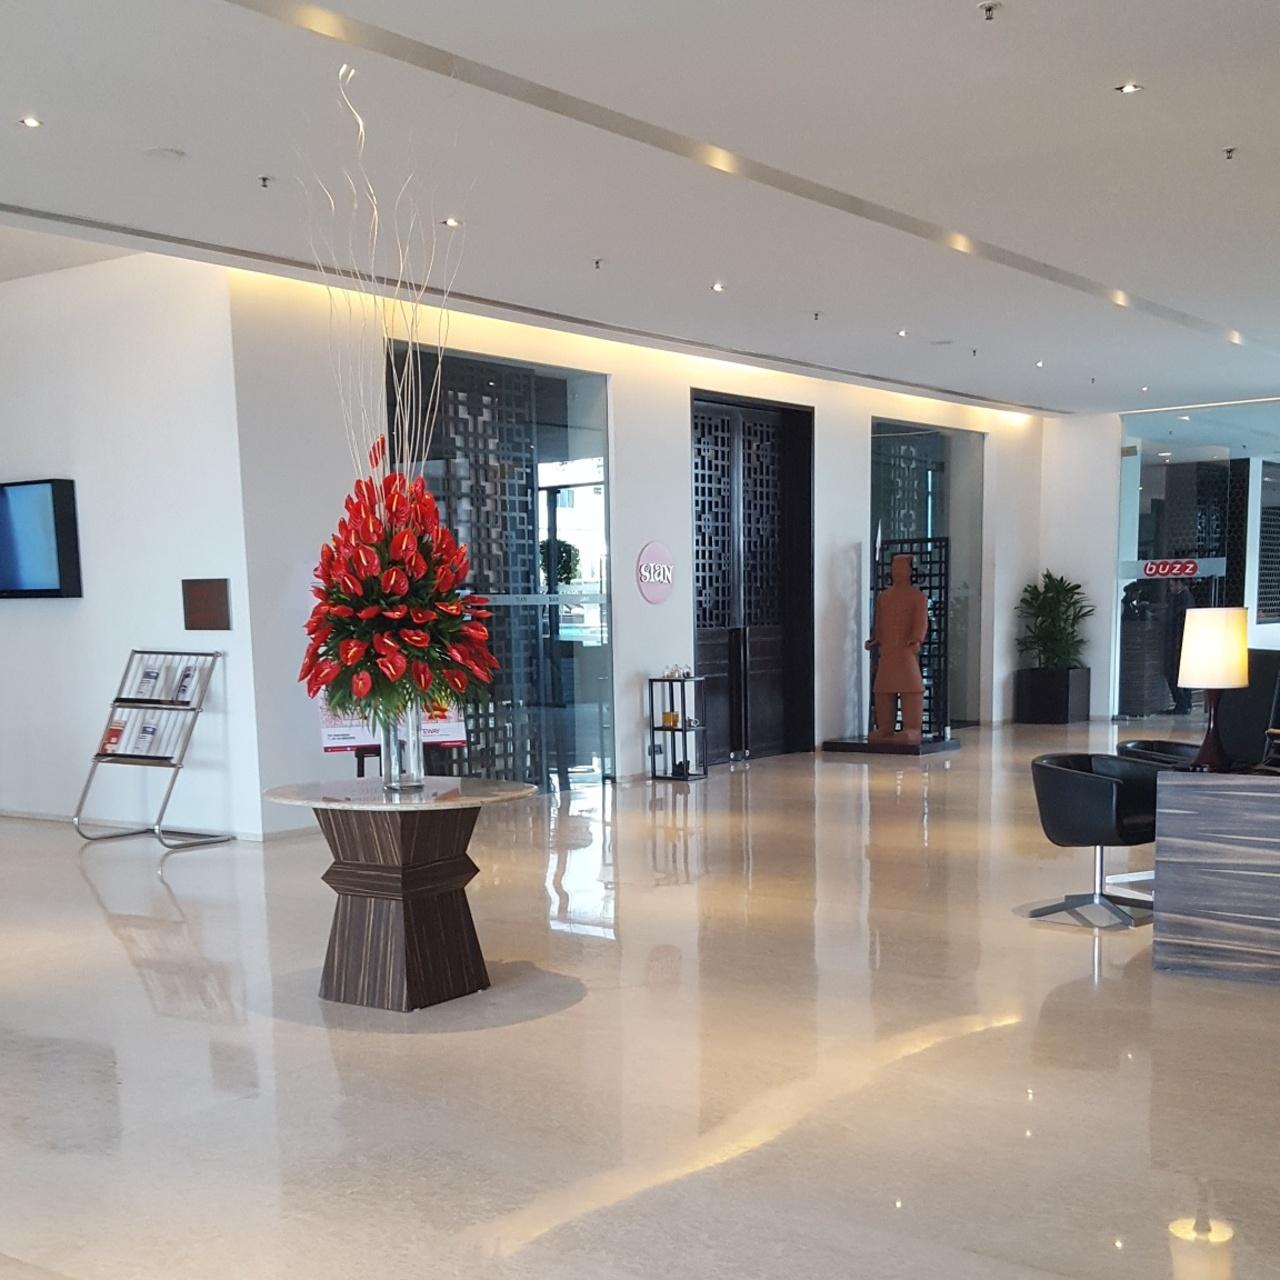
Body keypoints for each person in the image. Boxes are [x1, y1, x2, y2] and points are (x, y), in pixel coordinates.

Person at [865, 553, 930, 744]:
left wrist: (917, 640)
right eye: (895, 567)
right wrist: (875, 639)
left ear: (911, 571)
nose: (898, 571)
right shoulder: (884, 597)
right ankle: (885, 727)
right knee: (883, 689)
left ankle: (913, 728)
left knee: (911, 688)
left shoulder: (917, 597)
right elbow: (879, 623)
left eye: (902, 567)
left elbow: (921, 622)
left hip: (906, 649)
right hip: (888, 651)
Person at [1164, 579, 1192, 714]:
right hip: (1180, 642)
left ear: (1179, 584)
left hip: (1178, 642)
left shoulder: (1183, 599)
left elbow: (1173, 616)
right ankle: (1185, 703)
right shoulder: (1184, 598)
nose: (1170, 588)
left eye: (1172, 585)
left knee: (1173, 674)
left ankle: (1182, 703)